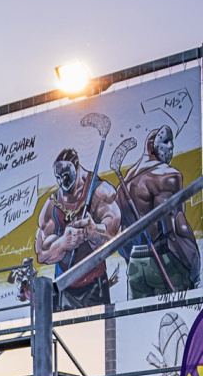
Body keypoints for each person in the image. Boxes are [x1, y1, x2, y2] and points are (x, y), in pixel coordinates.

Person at [117, 126, 200, 299]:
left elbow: (122, 236)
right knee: (178, 313)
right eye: (166, 142)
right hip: (163, 257)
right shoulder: (166, 175)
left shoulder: (124, 185)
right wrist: (194, 266)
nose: (171, 147)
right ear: (151, 147)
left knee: (141, 315)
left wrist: (135, 261)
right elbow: (177, 227)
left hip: (135, 263)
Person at [36, 147, 121, 308]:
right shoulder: (53, 203)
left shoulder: (99, 192)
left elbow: (115, 234)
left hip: (94, 283)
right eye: (58, 178)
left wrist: (93, 231)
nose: (61, 182)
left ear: (76, 167)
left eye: (65, 176)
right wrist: (63, 243)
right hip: (63, 285)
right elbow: (41, 254)